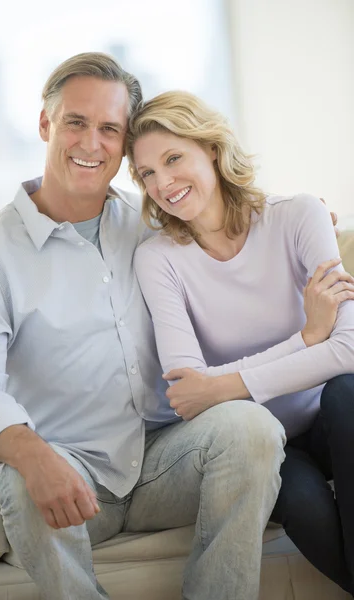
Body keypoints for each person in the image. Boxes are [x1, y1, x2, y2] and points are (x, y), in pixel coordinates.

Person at [0, 53, 287, 600]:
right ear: (45, 123)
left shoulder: (154, 222)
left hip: (165, 458)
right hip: (72, 470)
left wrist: (294, 222)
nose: (92, 144)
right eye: (75, 123)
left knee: (252, 429)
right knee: (19, 477)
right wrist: (36, 455)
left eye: (110, 129)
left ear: (126, 142)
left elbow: (231, 227)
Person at [126, 90, 354, 595]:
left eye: (172, 159)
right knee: (304, 501)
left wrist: (226, 383)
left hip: (336, 418)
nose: (162, 183)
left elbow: (350, 349)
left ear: (210, 147)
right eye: (146, 174)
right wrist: (306, 338)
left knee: (348, 392)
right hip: (263, 436)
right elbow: (188, 394)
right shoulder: (158, 259)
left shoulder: (298, 215)